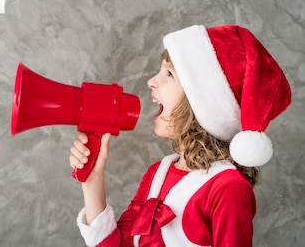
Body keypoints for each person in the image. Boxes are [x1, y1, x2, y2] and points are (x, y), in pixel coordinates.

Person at [69, 24, 292, 246]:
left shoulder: (228, 187)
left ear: (203, 103)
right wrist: (92, 181)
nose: (151, 81)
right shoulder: (158, 173)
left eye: (169, 73)